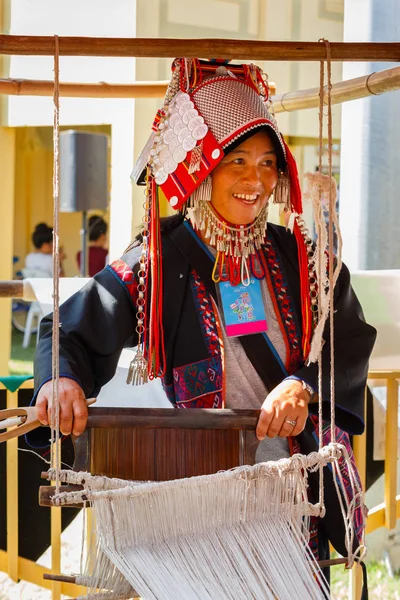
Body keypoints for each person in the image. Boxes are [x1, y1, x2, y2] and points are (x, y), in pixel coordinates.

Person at [31, 59, 376, 572]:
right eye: (237, 161)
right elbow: (66, 329)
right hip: (193, 506)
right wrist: (59, 381)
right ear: (202, 166)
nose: (254, 180)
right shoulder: (157, 259)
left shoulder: (302, 258)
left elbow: (348, 335)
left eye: (267, 164)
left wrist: (303, 385)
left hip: (291, 498)